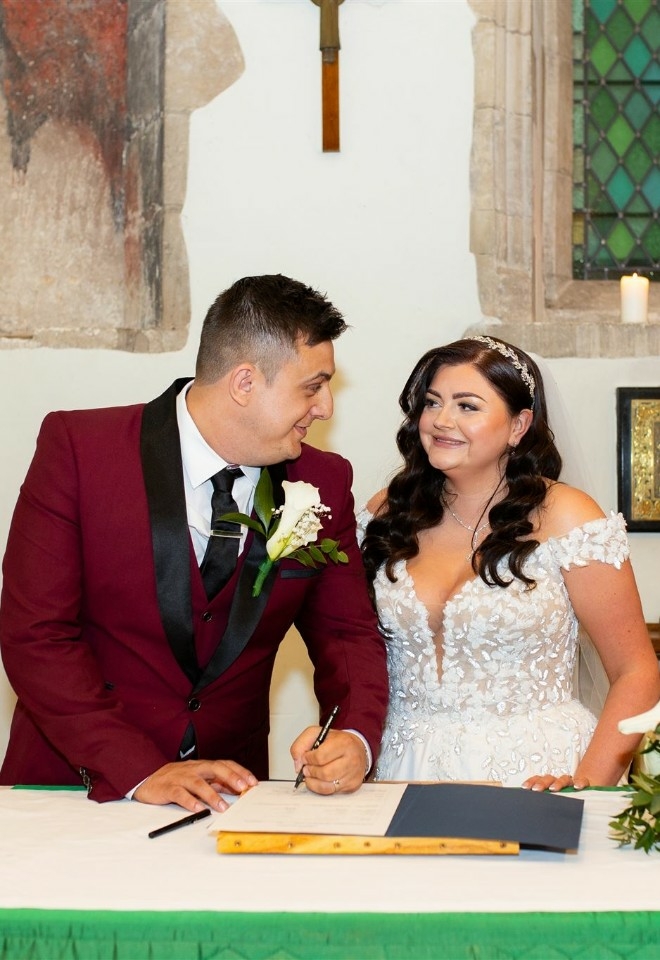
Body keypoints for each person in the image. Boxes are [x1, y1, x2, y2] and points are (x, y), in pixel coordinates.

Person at [0, 274, 388, 810]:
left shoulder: (322, 482)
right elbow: (36, 636)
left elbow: (346, 634)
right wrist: (138, 770)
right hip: (75, 788)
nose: (324, 407)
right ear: (245, 382)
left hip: (231, 798)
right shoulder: (79, 451)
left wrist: (355, 737)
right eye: (312, 386)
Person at [359, 336, 660, 791]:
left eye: (467, 406)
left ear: (518, 425)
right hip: (401, 768)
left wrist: (587, 786)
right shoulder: (386, 513)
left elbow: (637, 672)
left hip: (537, 774)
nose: (441, 421)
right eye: (432, 402)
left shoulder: (568, 518)